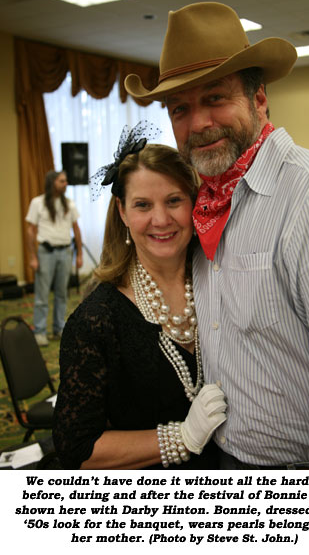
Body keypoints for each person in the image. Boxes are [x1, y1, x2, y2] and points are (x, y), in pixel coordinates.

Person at [125, 2, 309, 470]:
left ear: (259, 99)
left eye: (216, 98)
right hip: (225, 462)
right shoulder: (202, 203)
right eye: (181, 108)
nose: (199, 123)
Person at [53, 124, 226, 470]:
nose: (161, 219)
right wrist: (181, 439)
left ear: (194, 202)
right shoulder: (97, 319)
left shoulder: (219, 281)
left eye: (174, 200)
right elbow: (77, 449)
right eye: (142, 205)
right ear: (122, 211)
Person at [26, 170, 83, 347]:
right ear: (52, 183)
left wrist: (79, 254)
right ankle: (40, 331)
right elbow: (30, 230)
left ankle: (59, 328)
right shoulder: (38, 202)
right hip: (46, 252)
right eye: (61, 181)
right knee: (42, 295)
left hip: (65, 252)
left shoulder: (70, 204)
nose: (65, 184)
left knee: (61, 293)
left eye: (66, 181)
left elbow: (76, 229)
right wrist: (32, 256)